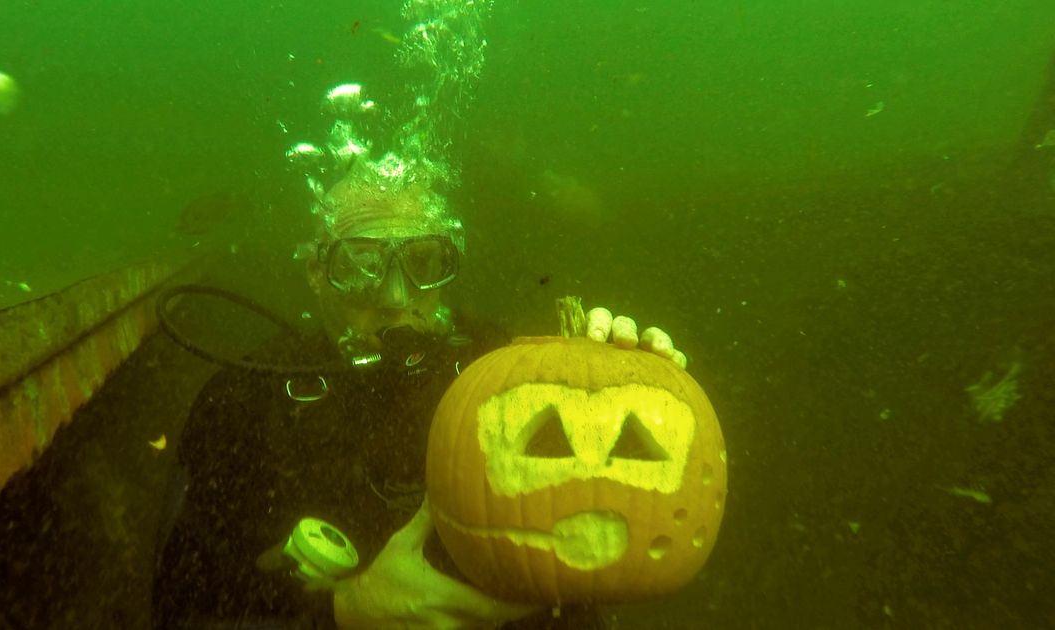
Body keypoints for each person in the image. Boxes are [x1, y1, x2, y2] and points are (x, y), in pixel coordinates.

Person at [151, 159, 687, 629]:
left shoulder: (512, 368)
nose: (395, 296)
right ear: (316, 272)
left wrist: (624, 377)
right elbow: (182, 609)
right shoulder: (246, 400)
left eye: (424, 262)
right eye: (360, 265)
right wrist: (340, 613)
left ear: (448, 266)